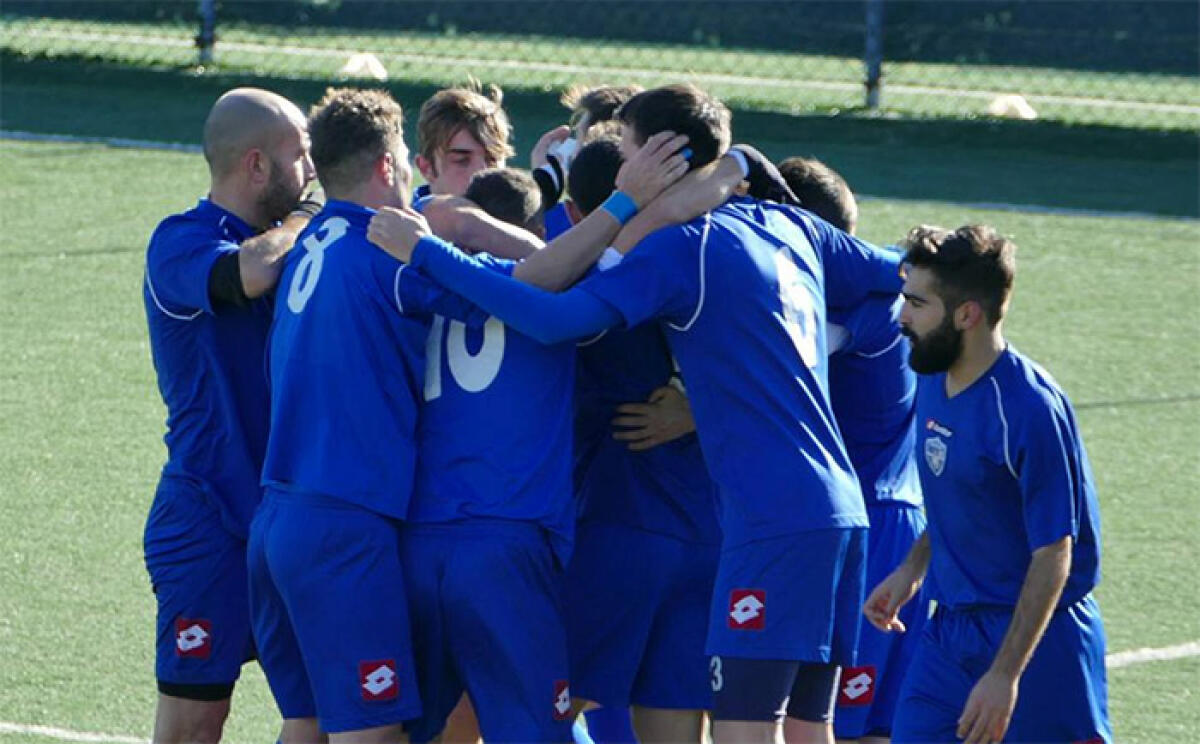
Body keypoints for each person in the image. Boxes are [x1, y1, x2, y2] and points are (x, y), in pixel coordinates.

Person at [368, 83, 906, 744]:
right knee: (805, 729)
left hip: (744, 522)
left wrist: (428, 252)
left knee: (724, 729)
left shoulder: (678, 250)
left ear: (661, 154)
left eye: (624, 145)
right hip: (832, 512)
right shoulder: (791, 225)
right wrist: (741, 166)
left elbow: (551, 314)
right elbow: (901, 267)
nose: (618, 160)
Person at [247, 87, 494, 744]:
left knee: (307, 727)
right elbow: (514, 300)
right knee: (373, 735)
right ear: (387, 167)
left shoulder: (305, 244)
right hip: (344, 528)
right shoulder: (389, 255)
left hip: (276, 520)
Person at [866, 225, 1111, 744]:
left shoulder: (1028, 409)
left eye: (916, 302)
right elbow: (961, 494)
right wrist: (912, 569)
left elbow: (1054, 553)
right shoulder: (932, 376)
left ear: (966, 315)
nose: (902, 315)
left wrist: (1005, 675)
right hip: (949, 634)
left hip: (1039, 643)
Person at [141, 87, 316, 744]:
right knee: (194, 722)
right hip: (210, 522)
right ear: (257, 166)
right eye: (300, 156)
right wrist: (303, 224)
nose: (311, 174)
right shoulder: (180, 242)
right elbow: (247, 273)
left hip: (296, 522)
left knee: (324, 718)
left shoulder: (308, 243)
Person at [777, 157, 928, 744]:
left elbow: (781, 370)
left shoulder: (864, 312)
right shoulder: (890, 294)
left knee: (818, 723)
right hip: (900, 524)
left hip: (864, 534)